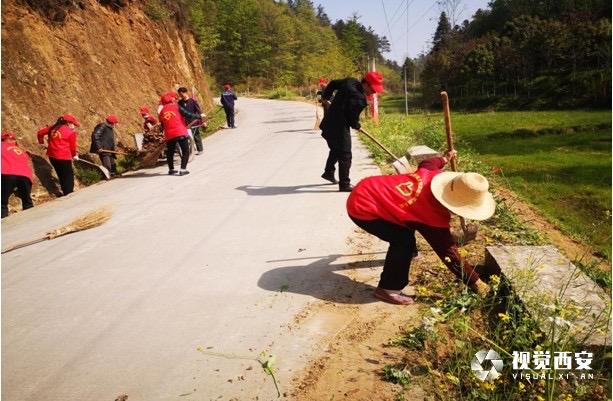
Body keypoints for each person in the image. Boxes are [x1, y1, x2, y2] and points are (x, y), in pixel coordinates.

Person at [346, 151, 495, 305]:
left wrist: (445, 158)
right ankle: (388, 289)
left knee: (408, 221)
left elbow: (429, 162)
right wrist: (476, 282)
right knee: (403, 241)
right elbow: (448, 253)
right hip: (363, 206)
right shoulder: (431, 216)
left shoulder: (431, 173)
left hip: (372, 185)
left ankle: (408, 254)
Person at [319, 71, 384, 192]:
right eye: (373, 89)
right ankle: (344, 184)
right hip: (339, 127)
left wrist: (325, 98)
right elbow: (352, 120)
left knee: (336, 149)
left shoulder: (350, 82)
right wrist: (357, 125)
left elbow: (332, 83)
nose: (374, 92)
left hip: (329, 122)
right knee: (345, 154)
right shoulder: (359, 99)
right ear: (365, 84)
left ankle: (328, 172)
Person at [37, 114, 80, 195]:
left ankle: (66, 192)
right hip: (64, 157)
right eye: (73, 124)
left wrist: (41, 143)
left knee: (60, 174)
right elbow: (72, 148)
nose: (74, 126)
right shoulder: (70, 133)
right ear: (68, 123)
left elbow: (40, 133)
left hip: (52, 156)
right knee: (68, 176)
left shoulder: (52, 128)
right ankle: (69, 193)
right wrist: (74, 155)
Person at [2, 132, 34, 218]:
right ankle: (32, 221)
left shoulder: (1, 145)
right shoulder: (19, 150)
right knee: (27, 201)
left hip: (8, 173)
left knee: (2, 202)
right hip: (25, 175)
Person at [158, 93, 190, 176]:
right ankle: (183, 169)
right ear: (171, 100)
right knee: (185, 151)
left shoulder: (162, 111)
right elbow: (187, 114)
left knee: (170, 152)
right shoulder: (176, 106)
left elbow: (162, 124)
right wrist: (198, 116)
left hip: (169, 134)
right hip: (180, 132)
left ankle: (171, 169)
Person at [177, 87, 207, 155]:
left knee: (196, 135)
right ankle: (190, 151)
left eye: (181, 94)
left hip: (194, 121)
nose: (180, 96)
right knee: (187, 137)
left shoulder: (193, 101)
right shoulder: (179, 103)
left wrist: (204, 121)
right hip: (185, 122)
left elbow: (199, 112)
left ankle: (200, 149)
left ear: (185, 92)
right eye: (179, 95)